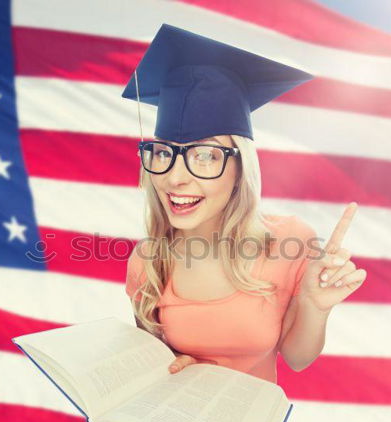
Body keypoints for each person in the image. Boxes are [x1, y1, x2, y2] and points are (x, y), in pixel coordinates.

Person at [121, 24, 366, 384]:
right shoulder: (147, 262)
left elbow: (297, 358)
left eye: (205, 156)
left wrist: (314, 305)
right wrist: (171, 368)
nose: (175, 178)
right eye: (163, 153)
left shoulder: (289, 241)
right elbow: (150, 368)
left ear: (240, 168)